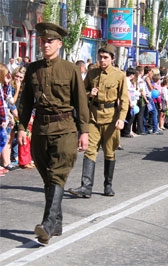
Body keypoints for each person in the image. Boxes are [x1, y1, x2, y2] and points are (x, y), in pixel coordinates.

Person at [17, 22, 89, 244]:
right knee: (48, 176)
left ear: (59, 43)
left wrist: (84, 131)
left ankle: (47, 225)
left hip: (65, 128)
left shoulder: (70, 69)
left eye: (50, 41)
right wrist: (21, 127)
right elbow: (25, 102)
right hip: (40, 129)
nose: (46, 44)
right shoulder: (33, 69)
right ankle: (56, 223)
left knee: (57, 174)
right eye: (43, 41)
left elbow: (81, 102)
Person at [68, 43, 129, 199]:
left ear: (112, 59)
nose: (102, 60)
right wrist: (90, 93)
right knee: (90, 150)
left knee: (109, 152)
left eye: (105, 58)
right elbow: (81, 93)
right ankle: (86, 187)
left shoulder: (119, 75)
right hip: (93, 116)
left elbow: (124, 99)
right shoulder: (92, 73)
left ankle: (108, 185)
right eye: (100, 57)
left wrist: (121, 119)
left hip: (111, 118)